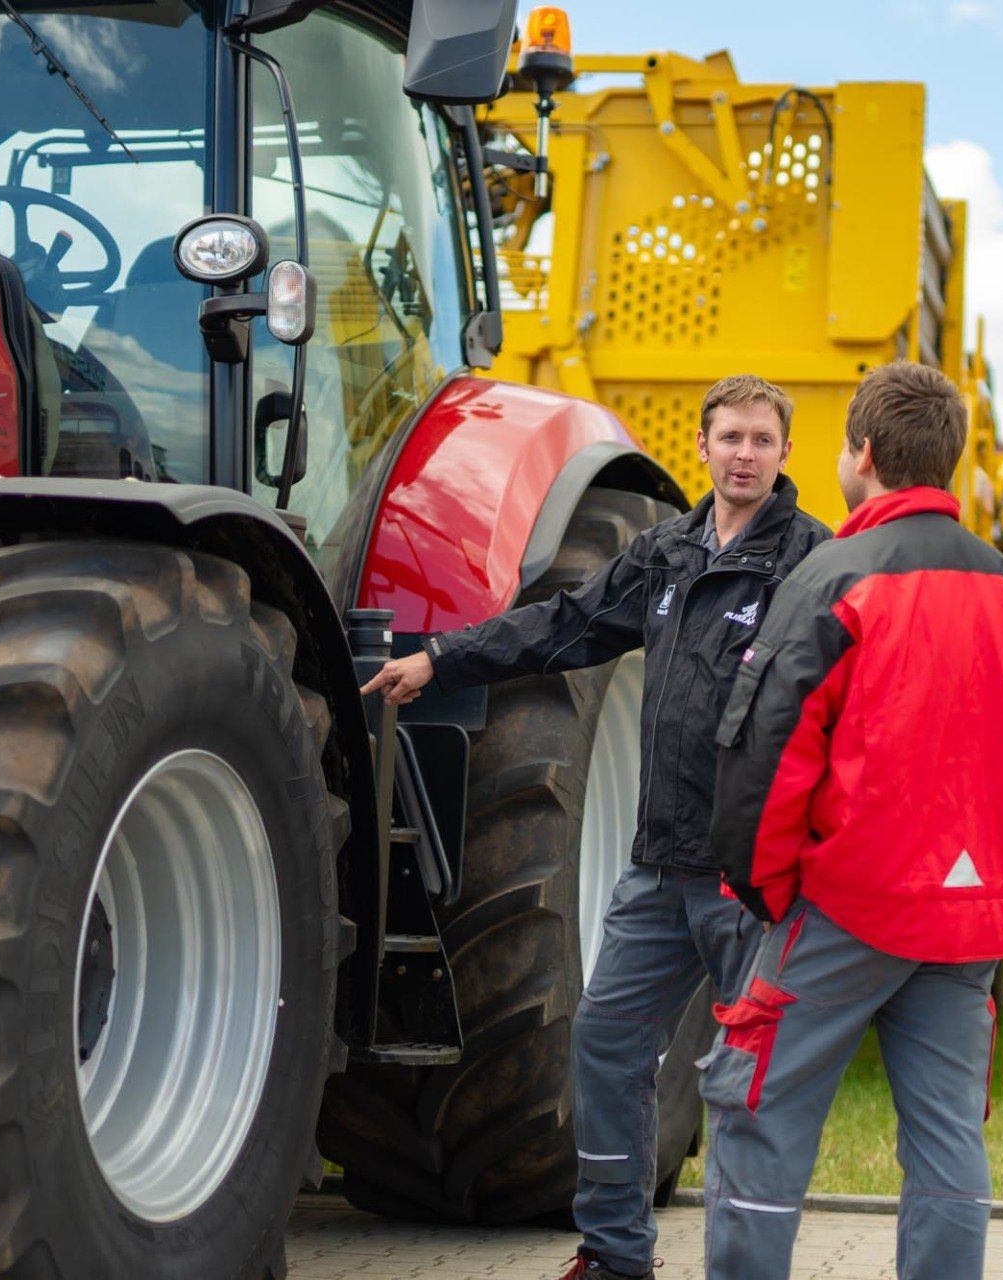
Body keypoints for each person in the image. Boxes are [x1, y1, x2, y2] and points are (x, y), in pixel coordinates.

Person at [360, 374, 831, 1280]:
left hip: (747, 878)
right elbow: (562, 627)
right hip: (657, 873)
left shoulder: (809, 564)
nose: (744, 455)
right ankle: (616, 1254)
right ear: (701, 445)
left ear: (782, 454)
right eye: (729, 437)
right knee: (606, 1045)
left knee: (753, 1081)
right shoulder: (667, 554)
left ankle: (749, 1263)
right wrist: (441, 658)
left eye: (761, 441)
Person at [699, 362, 1003, 1280]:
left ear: (862, 455)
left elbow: (769, 752)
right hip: (968, 915)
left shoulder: (835, 577)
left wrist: (764, 889)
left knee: (757, 1113)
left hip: (846, 904)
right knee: (946, 1136)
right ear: (949, 460)